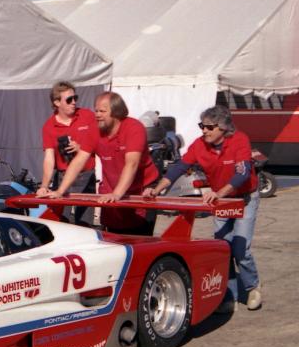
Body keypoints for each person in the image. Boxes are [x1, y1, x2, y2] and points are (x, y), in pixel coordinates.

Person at [143, 105, 261, 313]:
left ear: (223, 128)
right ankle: (228, 294)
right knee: (223, 247)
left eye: (209, 127)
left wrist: (219, 193)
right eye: (202, 126)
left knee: (241, 248)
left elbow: (242, 173)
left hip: (243, 198)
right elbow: (178, 168)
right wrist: (156, 190)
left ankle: (252, 287)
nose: (203, 130)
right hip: (221, 200)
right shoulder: (199, 145)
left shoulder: (240, 140)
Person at [94, 91, 161, 235]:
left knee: (139, 241)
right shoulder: (97, 129)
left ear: (116, 112)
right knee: (113, 237)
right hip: (112, 190)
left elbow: (132, 164)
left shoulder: (134, 128)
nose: (97, 114)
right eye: (96, 110)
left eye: (102, 111)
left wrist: (117, 194)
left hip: (141, 189)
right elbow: (81, 158)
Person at [37, 81, 99, 226]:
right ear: (57, 102)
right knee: (59, 222)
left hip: (86, 175)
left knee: (85, 223)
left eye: (75, 98)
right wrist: (44, 185)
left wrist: (82, 148)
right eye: (69, 99)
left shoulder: (87, 116)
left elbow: (101, 144)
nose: (74, 102)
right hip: (62, 176)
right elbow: (49, 158)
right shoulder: (49, 126)